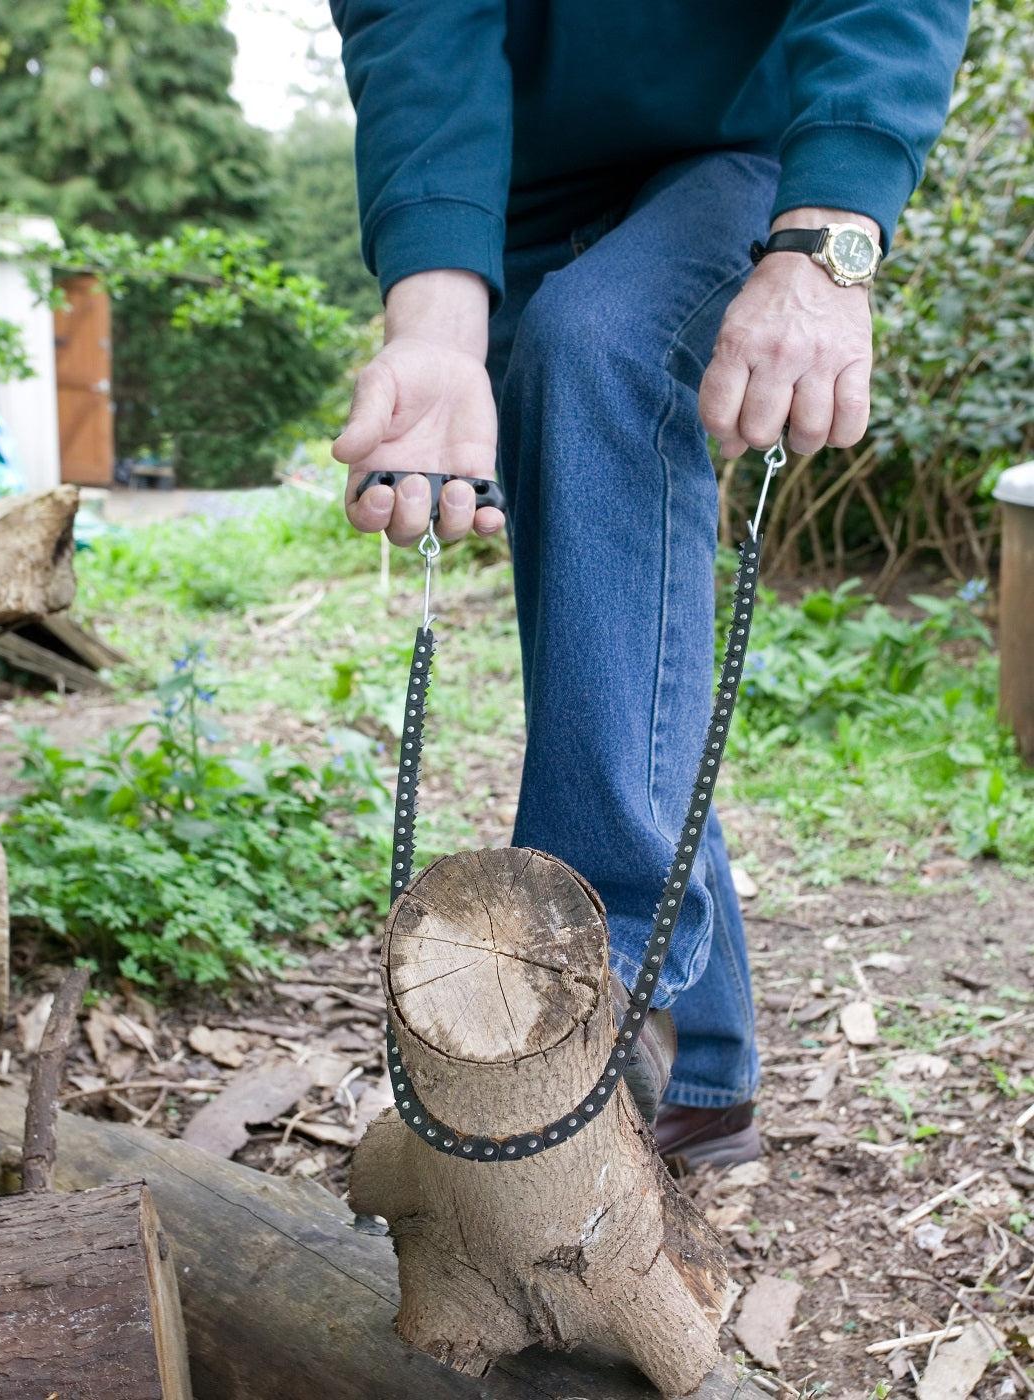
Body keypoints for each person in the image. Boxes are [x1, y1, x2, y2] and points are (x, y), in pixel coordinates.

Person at [328, 1, 971, 1168]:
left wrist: (829, 235)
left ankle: (589, 981)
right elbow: (416, 25)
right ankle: (710, 1074)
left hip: (743, 145)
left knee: (597, 342)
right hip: (509, 187)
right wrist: (434, 322)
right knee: (605, 630)